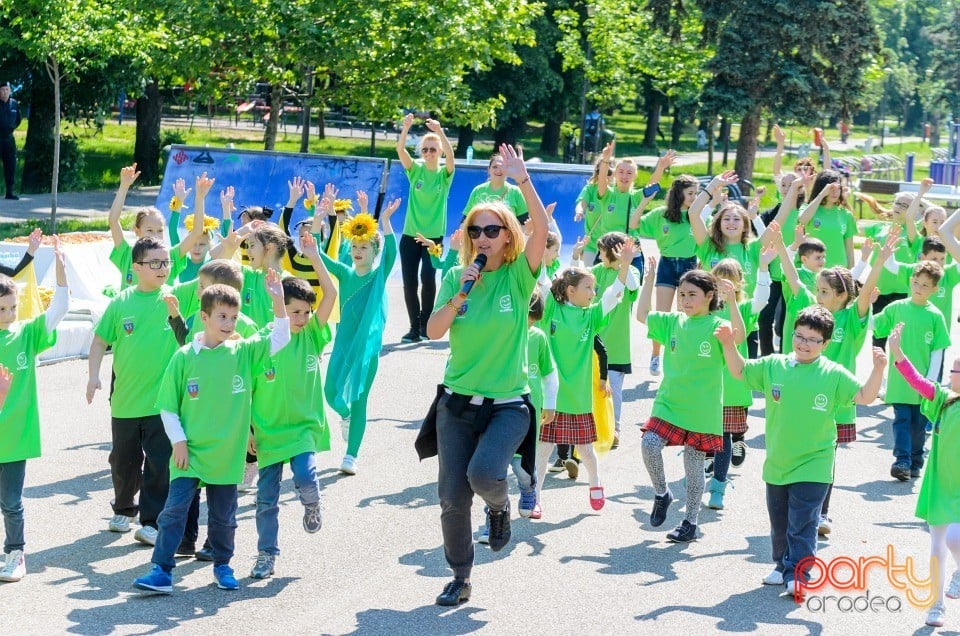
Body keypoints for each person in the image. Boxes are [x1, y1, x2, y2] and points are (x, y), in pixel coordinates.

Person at [416, 143, 547, 607]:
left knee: (485, 473)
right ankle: (461, 576)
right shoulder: (456, 277)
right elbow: (433, 332)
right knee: (451, 497)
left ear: (508, 235)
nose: (485, 237)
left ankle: (500, 506)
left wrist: (522, 179)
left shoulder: (518, 276)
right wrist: (459, 297)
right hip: (456, 403)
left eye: (493, 230)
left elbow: (544, 230)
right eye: (477, 231)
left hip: (508, 405)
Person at [132, 274, 291, 594]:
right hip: (188, 452)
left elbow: (280, 339)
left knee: (223, 517)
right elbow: (167, 406)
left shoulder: (242, 352)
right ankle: (161, 570)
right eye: (222, 316)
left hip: (225, 455)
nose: (229, 323)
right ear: (203, 317)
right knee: (173, 512)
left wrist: (278, 302)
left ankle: (223, 565)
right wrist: (177, 440)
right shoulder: (184, 358)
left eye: (233, 317)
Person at [715, 307, 885, 597]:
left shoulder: (833, 374)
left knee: (802, 522)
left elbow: (865, 397)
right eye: (799, 336)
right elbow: (740, 371)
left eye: (813, 339)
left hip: (815, 462)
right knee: (780, 524)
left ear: (825, 344)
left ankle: (799, 572)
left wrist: (879, 369)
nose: (804, 343)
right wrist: (729, 345)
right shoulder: (774, 365)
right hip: (779, 461)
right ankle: (782, 566)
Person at [636, 263, 744, 542]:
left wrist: (732, 302)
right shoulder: (672, 322)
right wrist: (649, 281)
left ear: (709, 296)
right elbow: (642, 314)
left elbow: (738, 335)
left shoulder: (717, 326)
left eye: (691, 294)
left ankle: (690, 522)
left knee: (694, 467)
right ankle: (662, 493)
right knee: (649, 444)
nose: (684, 300)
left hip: (702, 411)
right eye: (681, 294)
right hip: (668, 404)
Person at [249, 234, 337, 579]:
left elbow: (330, 294)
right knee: (265, 499)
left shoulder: (314, 334)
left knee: (304, 475)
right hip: (268, 430)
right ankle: (265, 554)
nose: (300, 318)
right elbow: (248, 392)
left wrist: (315, 257)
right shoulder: (263, 342)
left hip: (302, 426)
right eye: (293, 311)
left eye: (305, 312)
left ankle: (311, 502)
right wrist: (249, 431)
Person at [86, 237, 181, 546]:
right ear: (137, 267)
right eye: (155, 263)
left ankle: (151, 522)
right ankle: (124, 508)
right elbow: (100, 340)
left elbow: (210, 277)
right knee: (123, 461)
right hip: (125, 400)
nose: (162, 268)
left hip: (161, 403)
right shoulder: (121, 303)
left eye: (165, 262)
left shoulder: (174, 298)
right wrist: (93, 376)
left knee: (158, 463)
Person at [0, 237, 68, 583]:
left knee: (11, 501)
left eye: (12, 308)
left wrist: (60, 271)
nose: (9, 315)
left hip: (14, 438)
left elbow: (58, 310)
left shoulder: (25, 334)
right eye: (2, 309)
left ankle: (15, 552)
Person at [319, 192, 400, 475]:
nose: (357, 250)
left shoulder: (378, 276)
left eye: (364, 247)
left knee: (359, 398)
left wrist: (386, 222)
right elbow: (319, 259)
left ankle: (351, 455)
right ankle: (345, 417)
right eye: (355, 245)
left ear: (374, 252)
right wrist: (315, 232)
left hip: (366, 348)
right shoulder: (345, 271)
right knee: (330, 393)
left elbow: (392, 250)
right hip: (343, 343)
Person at [889, 323, 960, 628]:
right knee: (935, 549)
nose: (951, 372)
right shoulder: (944, 399)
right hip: (940, 487)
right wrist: (897, 352)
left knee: (955, 537)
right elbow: (918, 381)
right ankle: (936, 605)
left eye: (956, 369)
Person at [704, 252, 774, 510]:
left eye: (729, 282)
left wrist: (764, 266)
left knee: (725, 436)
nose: (724, 287)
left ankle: (718, 488)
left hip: (732, 384)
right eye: (718, 281)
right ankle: (711, 462)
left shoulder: (744, 308)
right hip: (706, 385)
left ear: (739, 283)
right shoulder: (705, 311)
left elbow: (741, 330)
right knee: (707, 436)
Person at [873, 261, 950, 481]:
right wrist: (865, 305)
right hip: (899, 381)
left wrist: (930, 380)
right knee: (901, 420)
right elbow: (872, 324)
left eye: (925, 285)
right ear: (910, 281)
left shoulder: (935, 316)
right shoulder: (897, 307)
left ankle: (916, 460)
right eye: (916, 282)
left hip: (922, 385)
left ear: (934, 289)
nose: (918, 288)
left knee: (918, 426)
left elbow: (938, 351)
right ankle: (902, 461)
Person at [576, 232, 640, 448]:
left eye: (602, 251)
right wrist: (576, 255)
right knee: (592, 389)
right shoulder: (597, 272)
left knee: (614, 391)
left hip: (617, 346)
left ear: (612, 251)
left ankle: (615, 429)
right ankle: (593, 428)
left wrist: (626, 263)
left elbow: (631, 287)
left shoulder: (632, 271)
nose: (600, 255)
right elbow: (576, 279)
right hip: (591, 343)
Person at [396, 113, 455, 343]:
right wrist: (406, 128)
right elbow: (401, 151)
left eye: (433, 149)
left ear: (439, 151)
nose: (429, 153)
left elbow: (451, 156)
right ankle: (413, 328)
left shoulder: (444, 175)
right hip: (410, 236)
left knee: (428, 280)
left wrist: (439, 131)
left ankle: (424, 325)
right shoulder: (416, 171)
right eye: (425, 150)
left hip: (433, 239)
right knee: (410, 282)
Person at [633, 174, 701, 376]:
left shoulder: (697, 215)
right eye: (690, 193)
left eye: (696, 194)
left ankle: (680, 357)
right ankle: (655, 355)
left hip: (690, 265)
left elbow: (707, 239)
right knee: (661, 314)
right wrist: (644, 200)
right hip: (667, 264)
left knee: (684, 313)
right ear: (679, 193)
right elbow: (634, 223)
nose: (694, 197)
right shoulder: (660, 214)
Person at [109, 166, 209, 290]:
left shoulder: (171, 256)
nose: (156, 235)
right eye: (150, 230)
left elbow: (197, 232)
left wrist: (200, 197)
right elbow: (113, 221)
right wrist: (124, 187)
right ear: (137, 231)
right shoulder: (127, 254)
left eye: (160, 230)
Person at [796, 170, 855, 269]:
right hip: (814, 271)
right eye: (831, 188)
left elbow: (849, 249)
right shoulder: (809, 208)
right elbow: (802, 220)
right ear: (822, 188)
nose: (835, 192)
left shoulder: (846, 214)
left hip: (838, 272)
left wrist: (851, 273)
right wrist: (821, 195)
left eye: (838, 188)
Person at [461, 154, 528, 223]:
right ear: (489, 169)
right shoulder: (478, 190)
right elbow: (465, 221)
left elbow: (524, 223)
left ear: (508, 170)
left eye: (502, 167)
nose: (498, 170)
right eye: (495, 167)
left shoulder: (515, 192)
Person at [0, 82, 21, 200]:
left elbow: (18, 120)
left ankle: (10, 192)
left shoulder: (14, 104)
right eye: (2, 90)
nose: (4, 92)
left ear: (10, 91)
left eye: (7, 90)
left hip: (8, 139)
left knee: (10, 165)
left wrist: (10, 128)